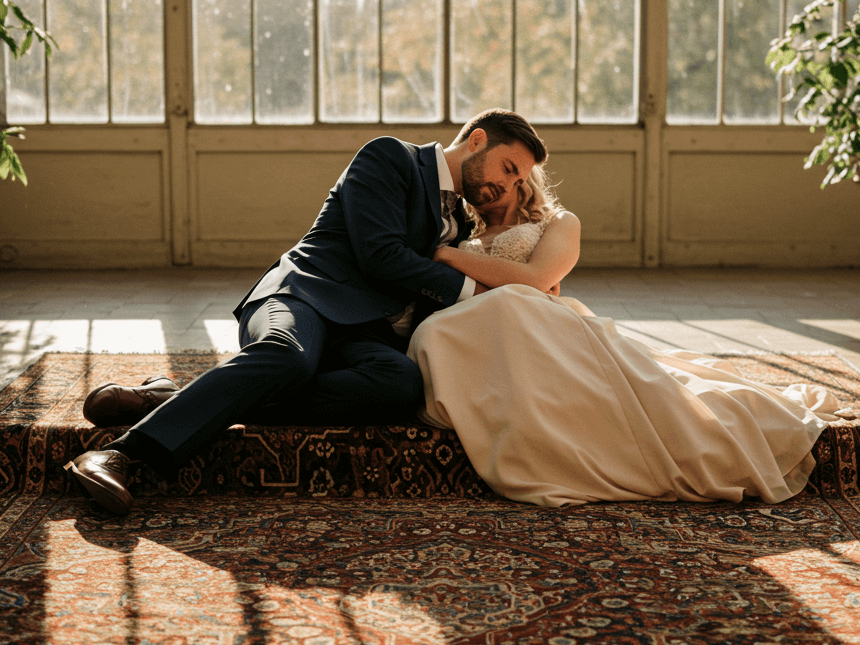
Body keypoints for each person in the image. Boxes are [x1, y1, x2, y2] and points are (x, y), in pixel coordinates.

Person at [64, 109, 546, 516]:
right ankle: (120, 454)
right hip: (303, 297)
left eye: (518, 180)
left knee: (401, 384)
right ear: (477, 140)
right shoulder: (391, 157)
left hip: (365, 332)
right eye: (507, 168)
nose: (507, 186)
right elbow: (382, 255)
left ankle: (175, 399)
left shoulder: (459, 219)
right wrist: (476, 289)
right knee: (288, 357)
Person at [408, 168, 850, 508]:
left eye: (514, 171)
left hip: (540, 326)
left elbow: (536, 280)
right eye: (498, 172)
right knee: (443, 330)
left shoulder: (558, 222)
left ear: (528, 178)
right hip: (485, 335)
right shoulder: (462, 231)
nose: (502, 182)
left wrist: (449, 258)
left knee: (660, 394)